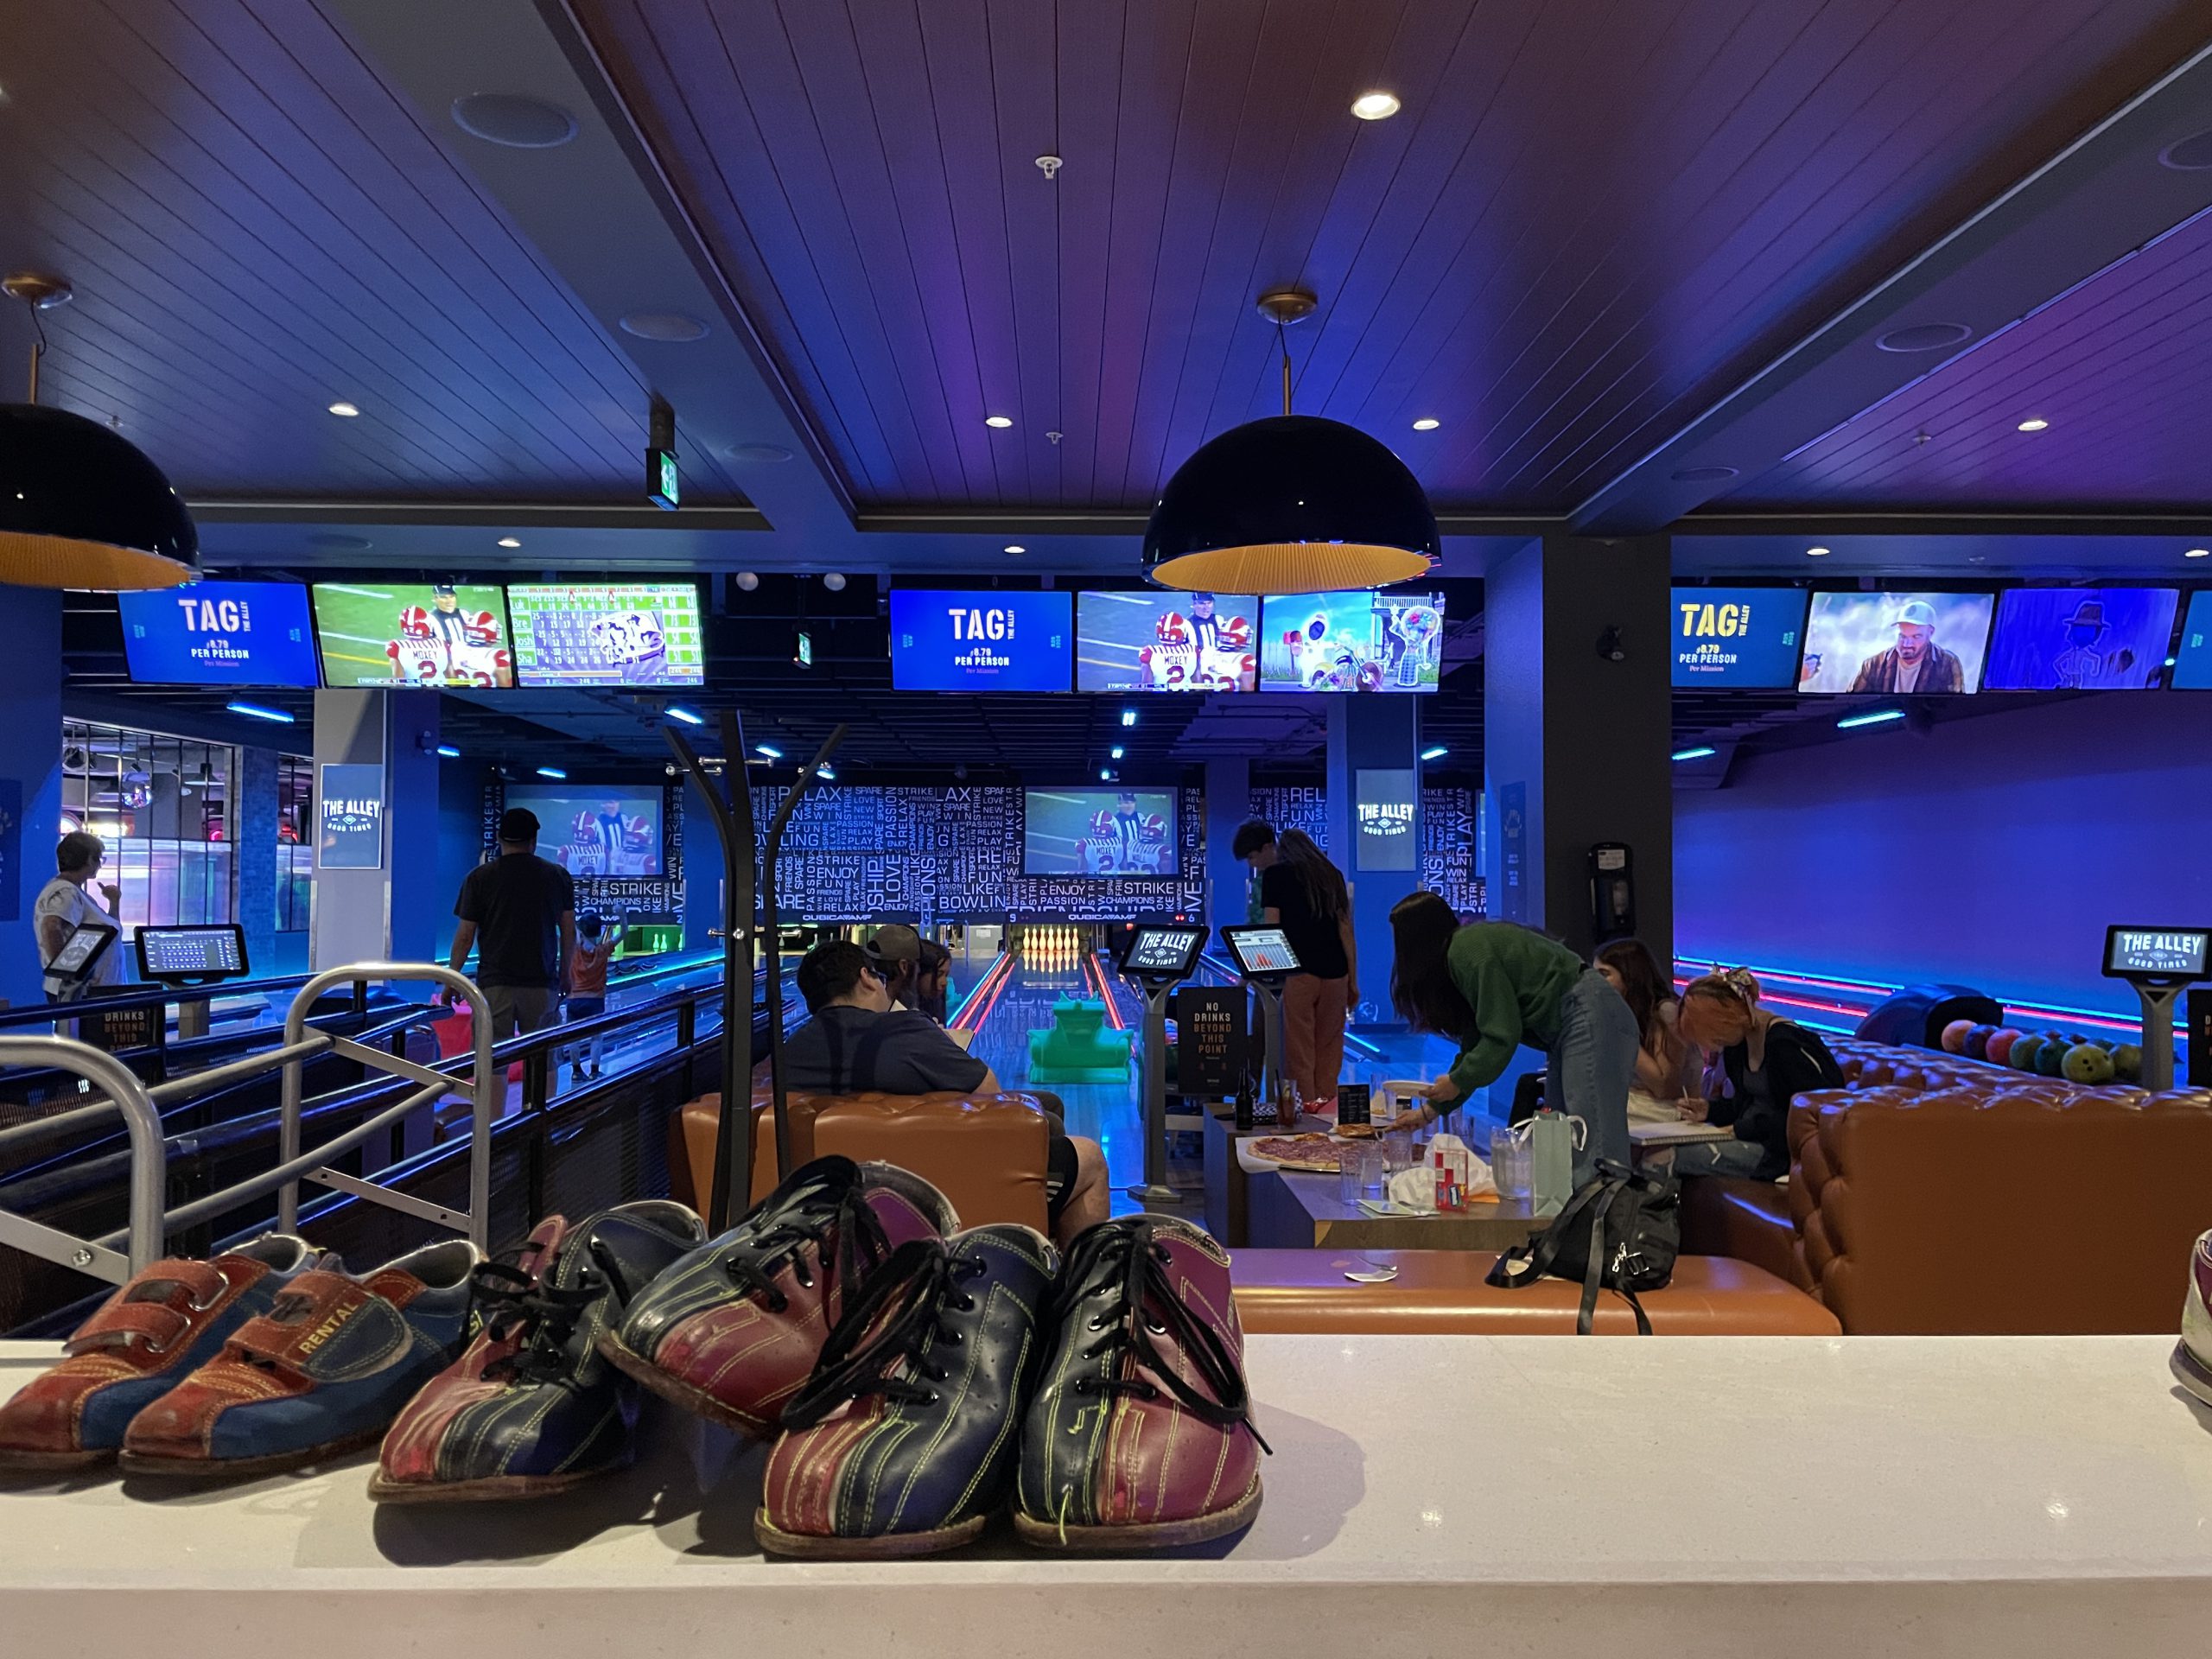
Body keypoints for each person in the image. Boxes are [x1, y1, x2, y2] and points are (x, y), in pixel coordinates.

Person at [783, 940, 1109, 1247]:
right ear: (867, 978)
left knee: (1046, 1111)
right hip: (939, 1181)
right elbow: (991, 1100)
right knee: (1088, 1156)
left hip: (840, 1192)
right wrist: (941, 1046)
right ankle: (1078, 1286)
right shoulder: (904, 1028)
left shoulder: (793, 1050)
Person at [1384, 894, 1637, 1184]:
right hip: (1570, 1024)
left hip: (1588, 1011)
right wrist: (1430, 1111)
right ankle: (1574, 1224)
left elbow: (1501, 1034)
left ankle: (1610, 1224)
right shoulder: (1461, 956)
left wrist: (1457, 1081)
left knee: (1594, 1141)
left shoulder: (1467, 950)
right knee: (1559, 1141)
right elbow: (1476, 1043)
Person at [1671, 968, 1845, 1182]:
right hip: (1755, 1140)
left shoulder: (1785, 1045)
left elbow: (1809, 1117)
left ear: (1727, 1019)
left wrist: (1742, 1129)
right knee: (1663, 1151)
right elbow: (1745, 1106)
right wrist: (1710, 1111)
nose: (1710, 1047)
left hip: (1782, 1153)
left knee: (1672, 1157)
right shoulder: (1737, 1044)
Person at [447, 807, 576, 1039]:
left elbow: (465, 937)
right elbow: (568, 932)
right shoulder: (557, 876)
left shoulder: (478, 878)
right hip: (541, 983)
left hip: (494, 984)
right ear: (534, 840)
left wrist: (452, 980)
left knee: (492, 1061)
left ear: (499, 838)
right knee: (543, 1059)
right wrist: (566, 974)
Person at [1258, 828, 1355, 1113]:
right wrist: (1354, 980)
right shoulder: (1331, 875)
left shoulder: (1276, 875)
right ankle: (1327, 1109)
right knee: (1330, 1046)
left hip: (1298, 972)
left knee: (1299, 1049)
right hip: (1336, 972)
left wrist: (1268, 970)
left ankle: (1304, 1112)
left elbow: (1272, 927)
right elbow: (1346, 930)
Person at [1594, 938, 1701, 1124]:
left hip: (1665, 1112)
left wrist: (1619, 1029)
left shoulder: (1665, 1012)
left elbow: (1664, 1087)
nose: (1595, 983)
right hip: (1633, 1106)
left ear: (1630, 977)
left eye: (1604, 974)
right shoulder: (1623, 1014)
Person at [35, 831, 124, 1020]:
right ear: (88, 860)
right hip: (82, 994)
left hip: (92, 991)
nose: (99, 865)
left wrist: (114, 902)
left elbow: (109, 933)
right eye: (98, 859)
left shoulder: (75, 891)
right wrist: (70, 976)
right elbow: (51, 926)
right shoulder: (66, 892)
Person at [1848, 598, 1965, 694]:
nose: (1906, 644)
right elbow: (1849, 702)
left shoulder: (1947, 663)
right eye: (1902, 636)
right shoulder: (1873, 665)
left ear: (1931, 632)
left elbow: (1956, 707)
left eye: (1916, 637)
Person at [562, 911, 621, 1082]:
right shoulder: (602, 951)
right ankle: (594, 1071)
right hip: (595, 1000)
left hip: (574, 999)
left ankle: (576, 1071)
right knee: (596, 1036)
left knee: (573, 1036)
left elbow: (573, 928)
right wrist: (622, 915)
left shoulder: (574, 949)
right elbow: (623, 932)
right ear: (599, 931)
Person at [865, 922, 923, 1011]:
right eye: (918, 966)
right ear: (904, 967)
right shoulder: (913, 1022)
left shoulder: (859, 1013)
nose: (919, 971)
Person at [1232, 818, 1276, 923]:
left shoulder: (1271, 880)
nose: (1250, 864)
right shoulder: (1261, 880)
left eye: (1251, 857)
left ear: (1266, 848)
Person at [914, 938, 953, 1026]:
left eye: (946, 975)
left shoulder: (937, 999)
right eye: (939, 975)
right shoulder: (903, 1009)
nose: (945, 983)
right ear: (919, 973)